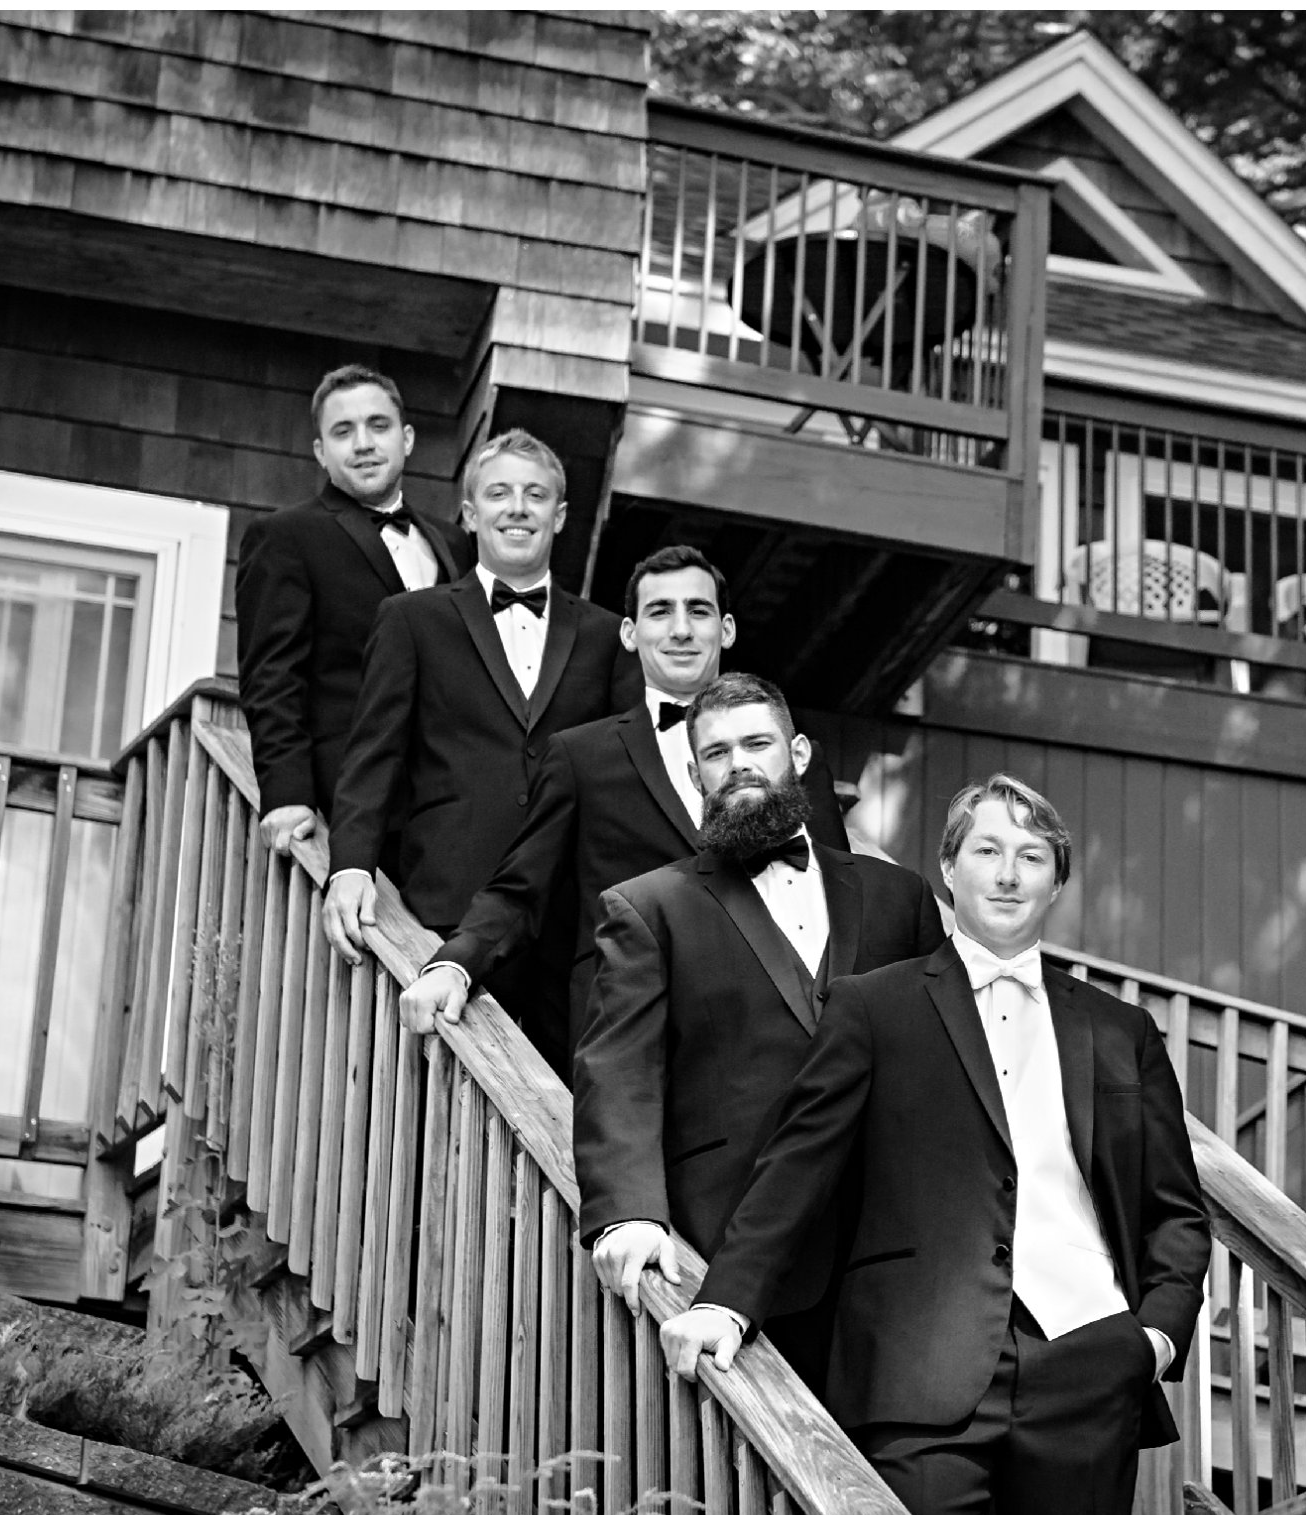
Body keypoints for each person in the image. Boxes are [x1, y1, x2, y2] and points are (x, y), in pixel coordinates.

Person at [664, 774, 1209, 1515]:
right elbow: (795, 1171)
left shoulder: (1120, 1030)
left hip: (1089, 1361)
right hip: (919, 1362)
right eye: (987, 850)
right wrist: (726, 1304)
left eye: (1032, 856)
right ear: (949, 871)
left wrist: (1152, 1339)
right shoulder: (874, 1007)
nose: (1008, 872)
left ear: (1057, 880)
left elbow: (1177, 1212)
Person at [570, 673, 945, 1388]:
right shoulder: (650, 908)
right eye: (715, 753)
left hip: (891, 1252)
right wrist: (628, 1214)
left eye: (757, 743)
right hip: (726, 1243)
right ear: (693, 773)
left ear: (798, 753)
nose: (737, 763)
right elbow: (619, 1070)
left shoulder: (901, 896)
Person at [395, 545, 850, 1050]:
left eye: (698, 611)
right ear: (630, 634)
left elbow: (841, 893)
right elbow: (520, 891)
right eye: (660, 611)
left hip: (775, 1031)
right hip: (628, 1033)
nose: (681, 629)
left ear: (726, 630)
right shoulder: (580, 755)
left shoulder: (792, 755)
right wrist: (454, 965)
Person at [322, 428, 639, 1066]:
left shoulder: (608, 637)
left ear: (560, 515)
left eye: (534, 494)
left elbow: (620, 774)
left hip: (561, 923)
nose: (517, 508)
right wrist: (350, 864)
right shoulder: (412, 619)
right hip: (440, 906)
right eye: (498, 493)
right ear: (470, 514)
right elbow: (373, 756)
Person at [234, 365, 464, 855]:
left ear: (407, 439)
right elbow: (271, 677)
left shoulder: (457, 544)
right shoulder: (285, 537)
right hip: (351, 804)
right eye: (343, 431)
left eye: (378, 426)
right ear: (321, 452)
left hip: (452, 804)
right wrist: (288, 795)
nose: (363, 443)